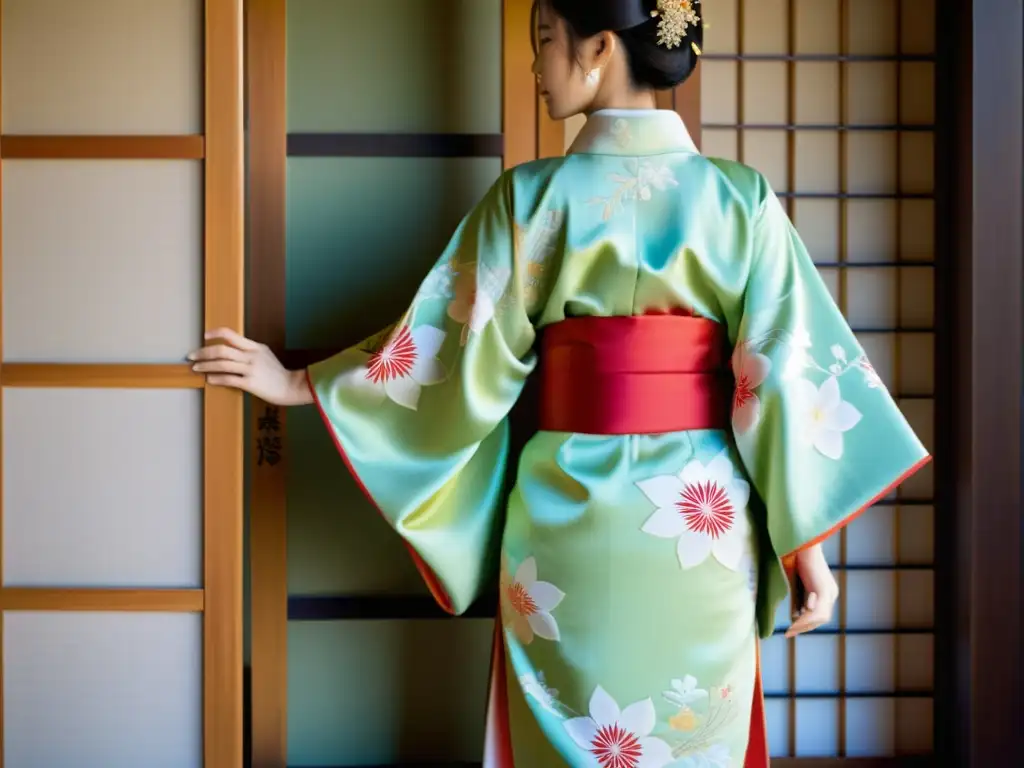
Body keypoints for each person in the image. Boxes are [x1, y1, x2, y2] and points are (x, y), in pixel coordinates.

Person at [191, 1, 931, 765]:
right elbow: (783, 380)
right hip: (700, 528)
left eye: (544, 42)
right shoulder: (739, 198)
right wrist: (808, 547)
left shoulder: (531, 199)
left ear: (600, 47)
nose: (534, 66)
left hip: (564, 513)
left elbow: (450, 353)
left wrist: (301, 384)